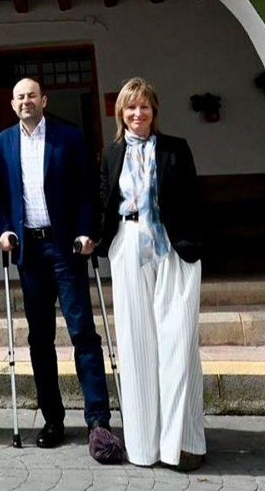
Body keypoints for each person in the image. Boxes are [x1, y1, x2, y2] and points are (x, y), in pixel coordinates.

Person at [0, 78, 119, 461]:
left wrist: (87, 231)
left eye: (32, 95)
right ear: (12, 104)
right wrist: (3, 230)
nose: (26, 101)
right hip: (28, 249)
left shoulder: (69, 136)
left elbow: (86, 190)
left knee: (83, 333)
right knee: (40, 338)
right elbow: (0, 195)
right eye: (19, 96)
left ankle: (98, 420)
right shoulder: (1, 143)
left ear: (44, 100)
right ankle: (52, 419)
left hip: (65, 247)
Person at [96, 77, 207, 471]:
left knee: (178, 341)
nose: (137, 113)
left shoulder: (176, 148)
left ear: (154, 111)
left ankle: (183, 445)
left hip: (173, 246)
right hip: (129, 243)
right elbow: (104, 199)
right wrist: (95, 238)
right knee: (136, 343)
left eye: (144, 106)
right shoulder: (112, 153)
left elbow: (193, 199)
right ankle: (143, 447)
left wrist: (195, 242)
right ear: (120, 113)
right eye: (130, 107)